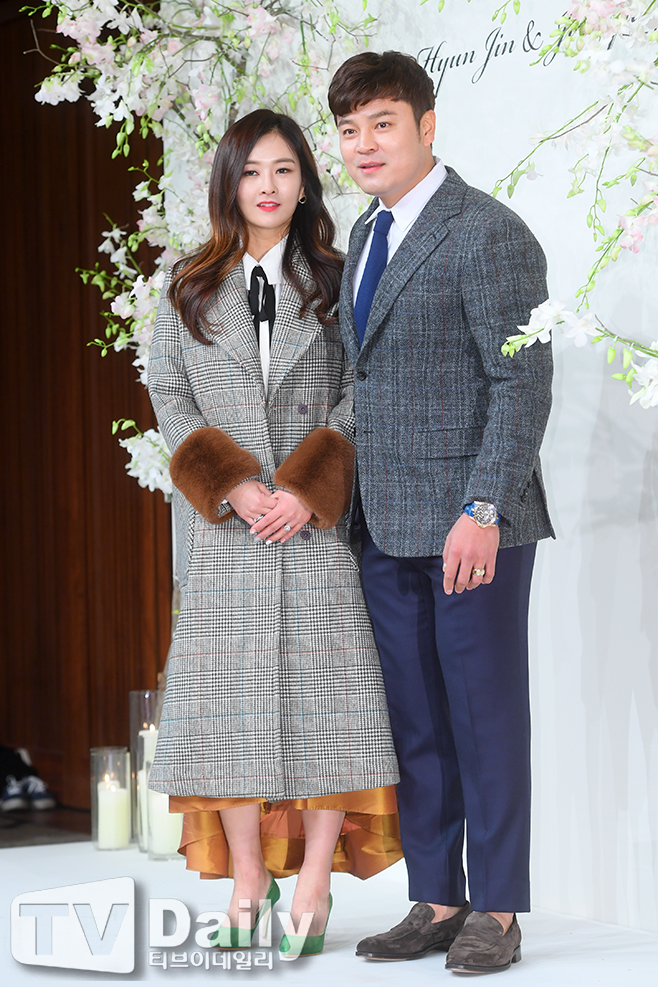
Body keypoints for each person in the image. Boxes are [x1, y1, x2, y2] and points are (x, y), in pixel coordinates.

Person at [147, 108, 401, 957]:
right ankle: (250, 881)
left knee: (334, 701)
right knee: (225, 707)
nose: (268, 186)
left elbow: (364, 387)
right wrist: (232, 482)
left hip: (313, 525)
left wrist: (304, 486)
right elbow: (168, 394)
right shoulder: (187, 285)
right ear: (230, 182)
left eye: (284, 170)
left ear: (304, 183)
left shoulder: (338, 277)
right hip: (224, 528)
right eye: (253, 171)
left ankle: (317, 882)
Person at [328, 51, 554, 974]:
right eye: (349, 129)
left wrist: (484, 506)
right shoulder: (365, 233)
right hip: (384, 522)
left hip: (473, 525)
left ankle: (496, 908)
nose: (364, 144)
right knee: (417, 722)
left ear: (427, 125)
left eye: (382, 123)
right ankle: (437, 896)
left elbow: (521, 381)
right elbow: (368, 380)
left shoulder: (489, 231)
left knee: (484, 719)